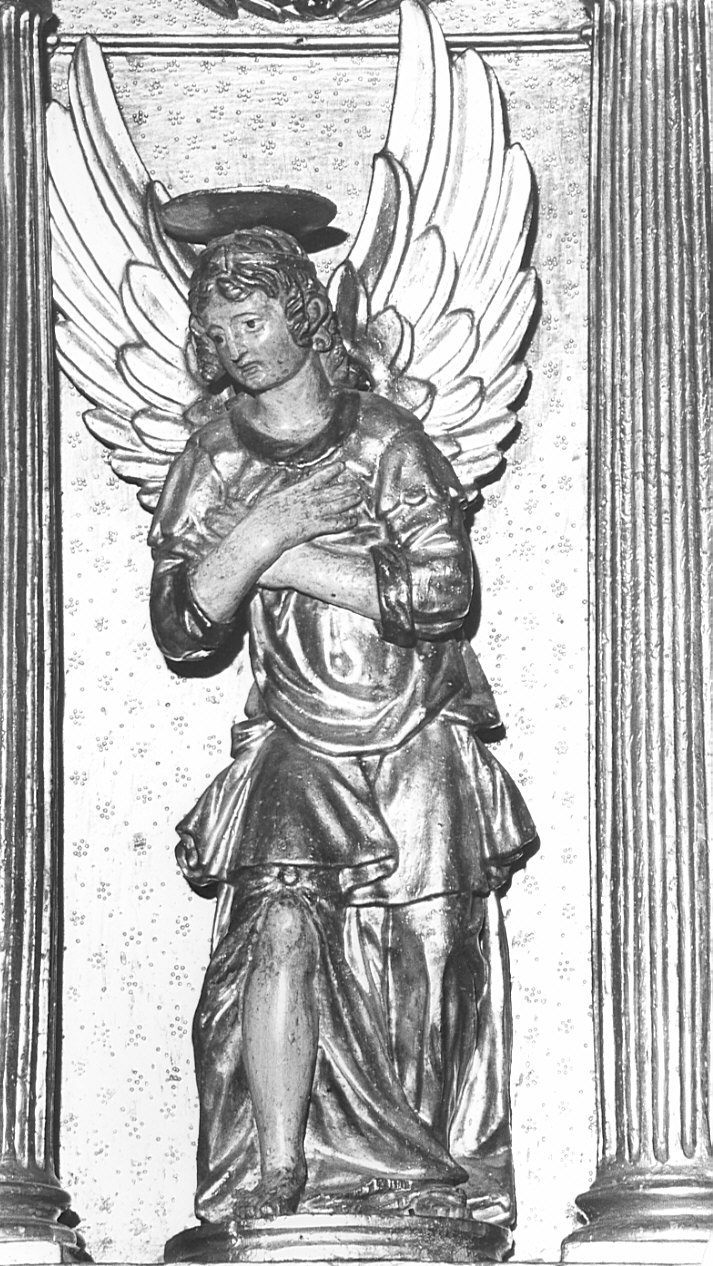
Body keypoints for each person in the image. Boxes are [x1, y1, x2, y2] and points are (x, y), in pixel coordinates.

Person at [149, 226, 536, 1226]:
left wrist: (273, 556)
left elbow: (442, 593)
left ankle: (421, 1181)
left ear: (301, 312)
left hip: (417, 727)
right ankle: (274, 1175)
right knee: (277, 928)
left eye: (251, 320)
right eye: (217, 330)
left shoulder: (382, 440)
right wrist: (266, 528)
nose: (235, 344)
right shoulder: (214, 455)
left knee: (426, 947)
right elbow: (184, 624)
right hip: (294, 729)